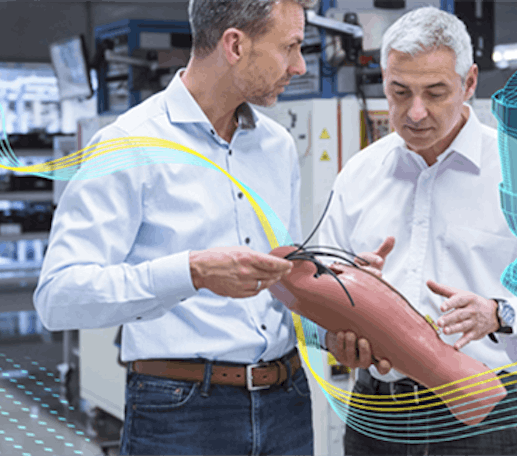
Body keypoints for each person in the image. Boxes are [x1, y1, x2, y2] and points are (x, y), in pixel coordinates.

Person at [33, 0, 317, 454]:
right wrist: (191, 271)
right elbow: (58, 297)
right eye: (290, 47)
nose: (300, 66)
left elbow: (288, 278)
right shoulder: (129, 145)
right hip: (183, 413)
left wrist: (349, 298)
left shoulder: (276, 145)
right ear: (235, 45)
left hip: (287, 401)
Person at [319, 6, 517, 456]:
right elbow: (323, 287)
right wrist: (342, 318)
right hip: (375, 416)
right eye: (399, 92)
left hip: (476, 419)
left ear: (468, 83)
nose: (415, 112)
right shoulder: (361, 174)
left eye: (435, 92)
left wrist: (499, 313)